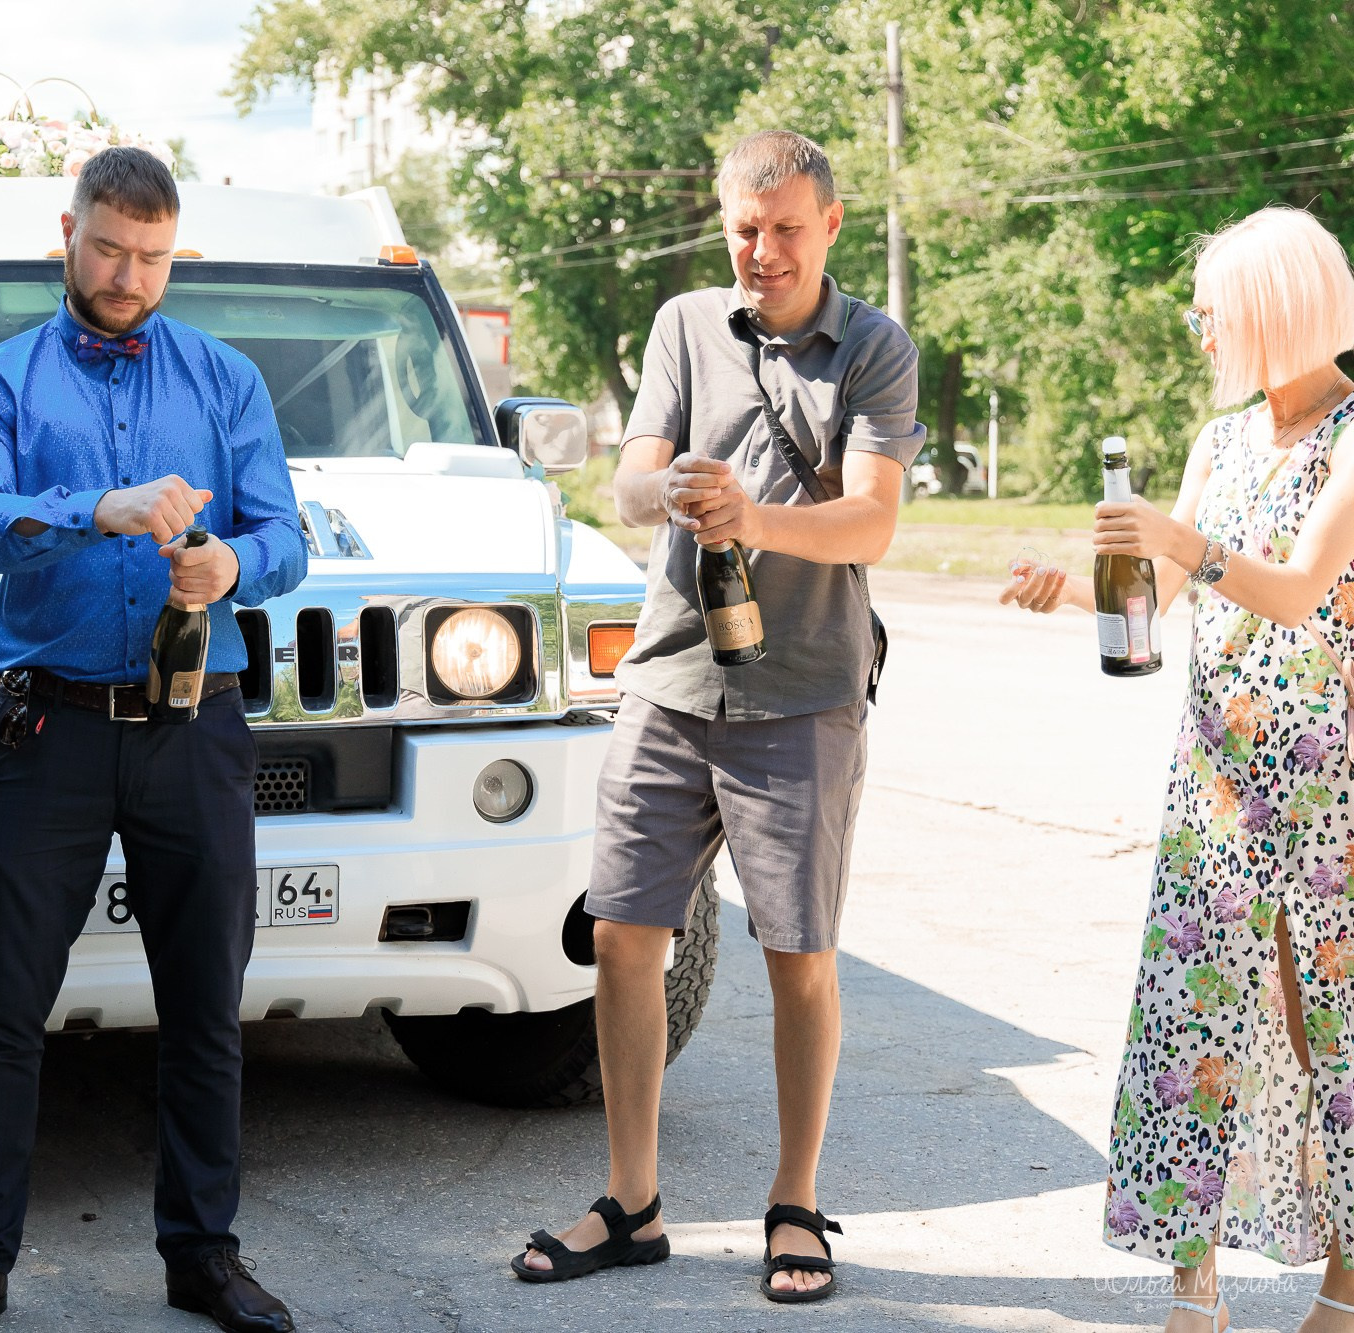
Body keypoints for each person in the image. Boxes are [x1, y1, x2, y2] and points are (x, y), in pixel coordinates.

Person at [513, 129, 924, 1303]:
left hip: (802, 691)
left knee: (798, 956)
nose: (763, 251)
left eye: (786, 228)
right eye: (744, 229)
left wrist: (750, 517)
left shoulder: (875, 349)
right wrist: (675, 486)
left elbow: (869, 524)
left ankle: (794, 1205)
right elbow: (628, 481)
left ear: (829, 226)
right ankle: (630, 1202)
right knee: (622, 936)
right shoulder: (685, 324)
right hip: (670, 678)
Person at [0, 146, 308, 1333]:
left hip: (199, 729)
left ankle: (203, 1255)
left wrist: (231, 561)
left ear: (170, 251)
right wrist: (103, 510)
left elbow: (286, 535)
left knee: (204, 1006)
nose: (128, 273)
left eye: (151, 256)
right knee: (5, 1008)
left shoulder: (227, 378)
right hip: (49, 731)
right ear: (68, 233)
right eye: (107, 247)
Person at [1003, 205, 1354, 1333]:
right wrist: (1077, 584)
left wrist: (1172, 538)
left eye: (1211, 315)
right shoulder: (1219, 442)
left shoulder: (1351, 437)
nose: (1201, 335)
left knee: (1321, 1031)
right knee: (1191, 1027)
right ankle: (1190, 1290)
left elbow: (1298, 589)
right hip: (1212, 781)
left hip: (1320, 789)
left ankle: (1345, 1282)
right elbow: (1152, 605)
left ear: (1267, 309)